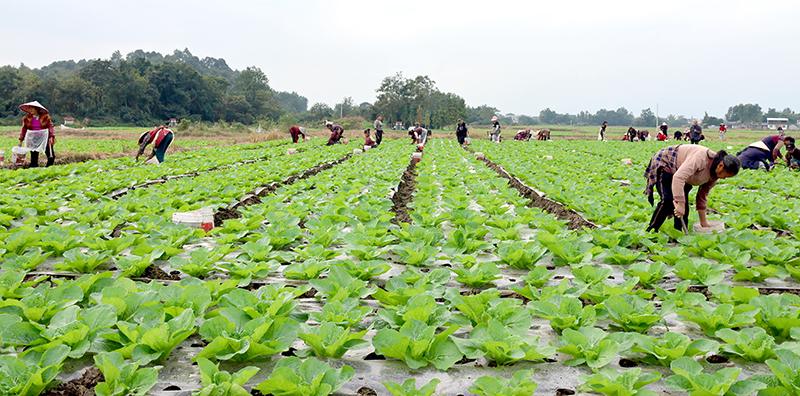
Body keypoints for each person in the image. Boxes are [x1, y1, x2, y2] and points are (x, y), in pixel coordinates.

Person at [644, 145, 740, 232]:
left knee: (683, 205)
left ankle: (679, 233)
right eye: (725, 176)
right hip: (667, 162)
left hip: (683, 174)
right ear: (721, 165)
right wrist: (680, 203)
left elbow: (702, 197)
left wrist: (703, 223)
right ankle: (651, 230)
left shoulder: (715, 176)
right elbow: (679, 177)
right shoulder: (701, 158)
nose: (723, 178)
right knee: (668, 201)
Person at [18, 101, 56, 167]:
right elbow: (24, 129)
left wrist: (52, 136)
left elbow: (50, 126)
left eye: (32, 108)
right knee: (34, 158)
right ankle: (34, 171)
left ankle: (47, 170)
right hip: (33, 139)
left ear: (37, 109)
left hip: (45, 139)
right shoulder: (26, 118)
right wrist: (21, 140)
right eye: (29, 108)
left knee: (51, 156)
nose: (30, 110)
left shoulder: (45, 117)